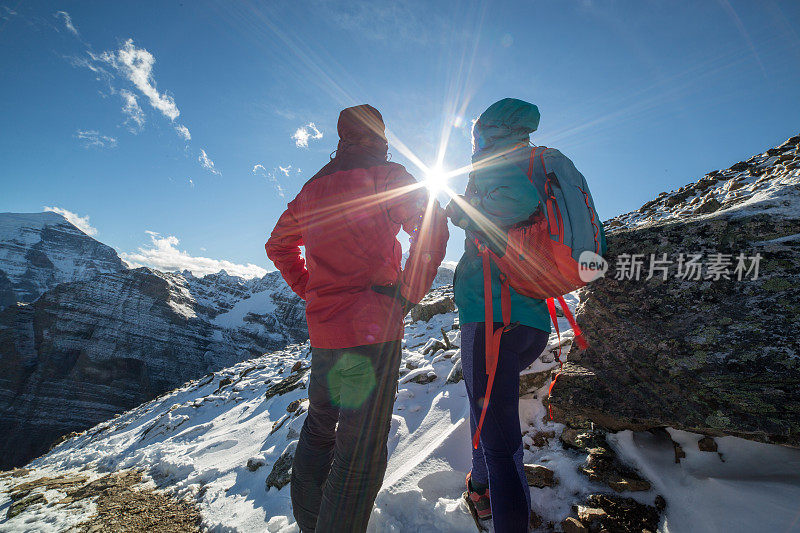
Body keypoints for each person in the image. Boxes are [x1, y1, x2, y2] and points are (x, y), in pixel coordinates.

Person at [266, 104, 448, 533]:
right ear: (380, 135)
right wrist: (410, 289)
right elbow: (431, 224)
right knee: (359, 447)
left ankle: (312, 525)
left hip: (325, 331)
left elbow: (278, 245)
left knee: (319, 426)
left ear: (342, 135)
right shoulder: (386, 175)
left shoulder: (313, 187)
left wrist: (310, 289)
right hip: (373, 327)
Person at [446, 98, 559, 532]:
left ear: (486, 132)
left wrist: (461, 211)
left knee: (501, 443)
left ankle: (501, 512)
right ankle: (479, 487)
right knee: (487, 411)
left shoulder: (496, 162)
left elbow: (513, 204)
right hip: (530, 319)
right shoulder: (535, 161)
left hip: (492, 316)